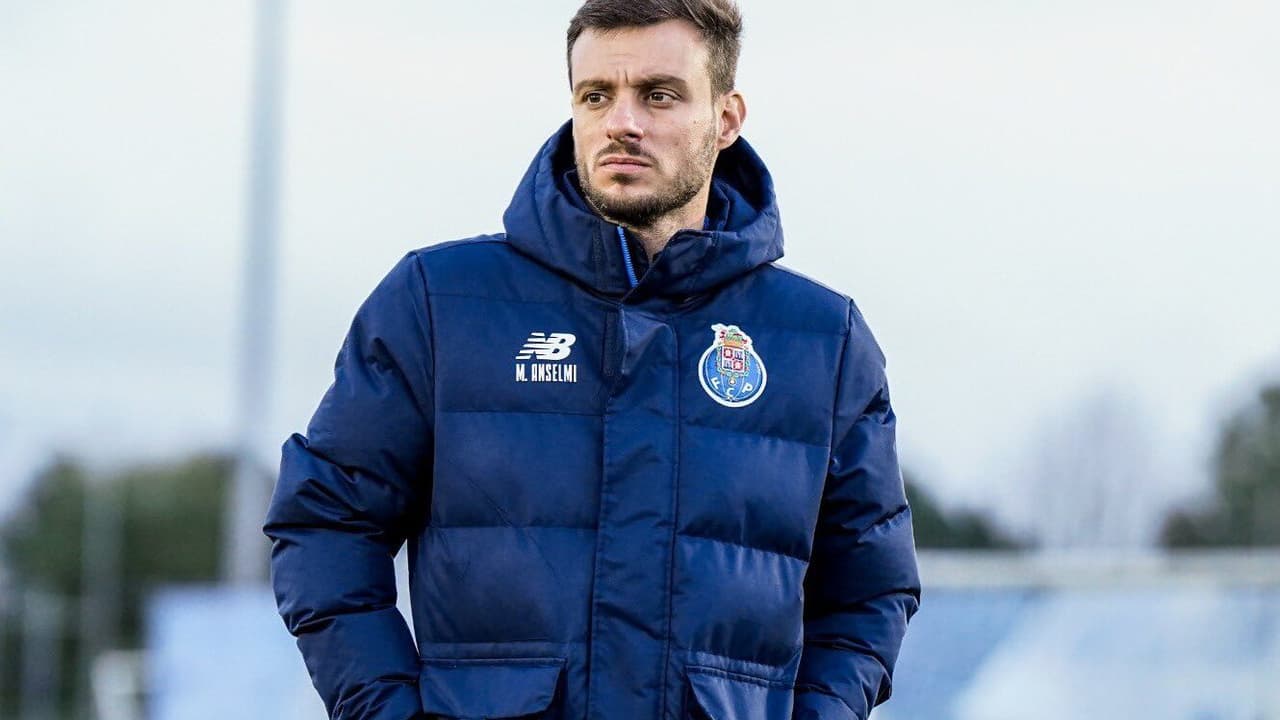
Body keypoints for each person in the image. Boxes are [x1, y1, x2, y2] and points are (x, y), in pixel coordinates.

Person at [263, 1, 921, 718]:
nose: (621, 123)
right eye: (596, 95)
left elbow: (870, 591)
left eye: (659, 95)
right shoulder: (439, 303)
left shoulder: (823, 340)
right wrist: (386, 710)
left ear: (727, 118)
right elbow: (324, 524)